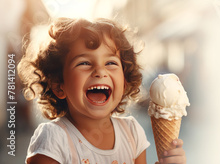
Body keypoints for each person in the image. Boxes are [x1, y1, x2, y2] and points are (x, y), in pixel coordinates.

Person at [19, 17, 186, 164]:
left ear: (124, 82)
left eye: (111, 63)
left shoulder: (133, 134)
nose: (100, 71)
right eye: (84, 63)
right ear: (58, 85)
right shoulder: (53, 140)